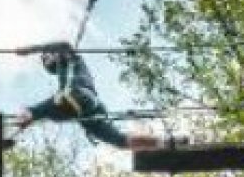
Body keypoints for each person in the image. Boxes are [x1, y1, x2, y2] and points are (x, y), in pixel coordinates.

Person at [10, 41, 160, 150]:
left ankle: (20, 123)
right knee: (120, 141)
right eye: (43, 60)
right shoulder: (65, 69)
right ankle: (161, 144)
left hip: (77, 95)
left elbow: (63, 45)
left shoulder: (69, 57)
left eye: (46, 56)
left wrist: (31, 49)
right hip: (89, 108)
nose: (44, 60)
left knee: (35, 110)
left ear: (55, 54)